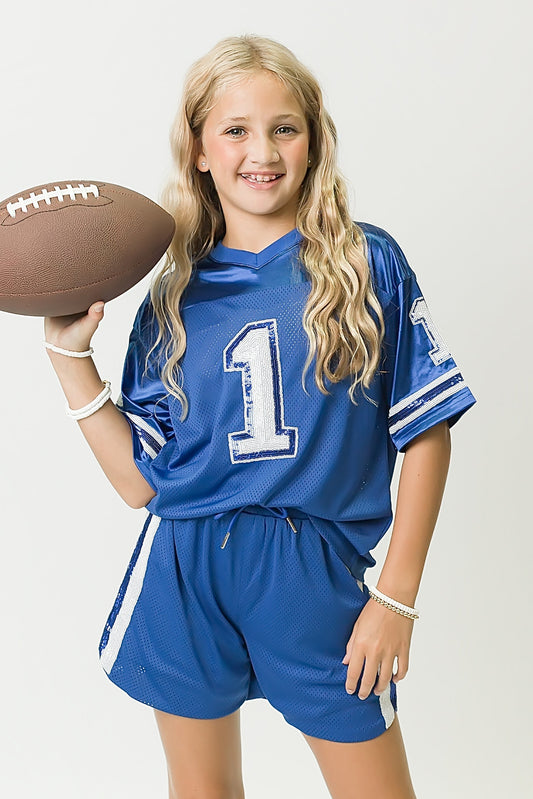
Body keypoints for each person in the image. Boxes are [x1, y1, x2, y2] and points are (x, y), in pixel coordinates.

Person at [44, 33, 476, 799]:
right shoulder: (172, 295)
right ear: (199, 149)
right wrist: (69, 358)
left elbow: (426, 431)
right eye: (235, 130)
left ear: (313, 140)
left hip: (310, 570)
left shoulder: (364, 263)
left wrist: (395, 595)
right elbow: (141, 483)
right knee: (202, 788)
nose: (262, 151)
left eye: (284, 128)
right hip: (184, 564)